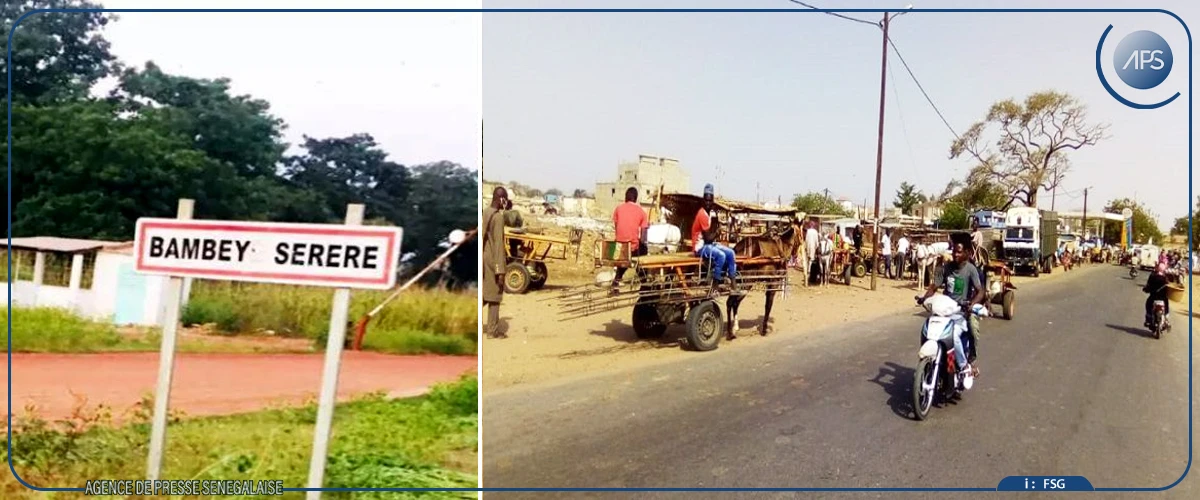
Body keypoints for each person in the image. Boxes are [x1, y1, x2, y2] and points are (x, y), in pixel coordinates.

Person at [916, 242, 985, 378]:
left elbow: (980, 292)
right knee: (927, 328)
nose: (955, 254)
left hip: (960, 312)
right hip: (945, 309)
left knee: (954, 335)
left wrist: (972, 304)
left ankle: (964, 365)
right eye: (954, 251)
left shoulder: (971, 270)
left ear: (966, 253)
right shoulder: (947, 268)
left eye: (959, 252)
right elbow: (934, 287)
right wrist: (924, 298)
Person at [692, 184, 737, 286]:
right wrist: (717, 233)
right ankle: (715, 284)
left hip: (708, 244)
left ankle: (733, 283)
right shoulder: (702, 214)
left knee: (731, 253)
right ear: (703, 200)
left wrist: (716, 232)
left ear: (712, 202)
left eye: (710, 200)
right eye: (706, 200)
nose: (708, 203)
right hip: (700, 247)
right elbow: (708, 238)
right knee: (721, 255)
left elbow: (710, 236)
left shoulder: (709, 214)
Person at [482, 187, 509, 339]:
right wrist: (501, 271)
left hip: (485, 256)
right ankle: (492, 331)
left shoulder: (486, 212)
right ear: (501, 199)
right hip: (493, 259)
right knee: (495, 295)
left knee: (486, 293)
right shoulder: (498, 217)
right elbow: (499, 245)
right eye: (505, 199)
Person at [611, 187, 649, 292]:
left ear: (625, 197)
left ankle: (616, 281)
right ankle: (645, 282)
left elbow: (616, 226)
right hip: (632, 247)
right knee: (641, 253)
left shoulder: (618, 209)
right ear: (636, 198)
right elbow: (644, 235)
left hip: (619, 247)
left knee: (625, 259)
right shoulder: (641, 212)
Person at [1144, 262, 1172, 329]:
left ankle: (1148, 318)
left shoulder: (1153, 276)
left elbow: (1148, 286)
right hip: (1163, 298)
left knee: (1148, 304)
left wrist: (1146, 289)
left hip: (1153, 297)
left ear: (1157, 268)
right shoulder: (1166, 278)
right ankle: (1166, 319)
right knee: (1167, 305)